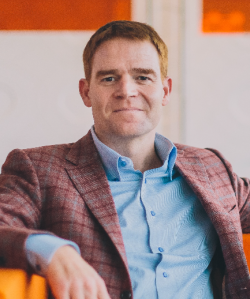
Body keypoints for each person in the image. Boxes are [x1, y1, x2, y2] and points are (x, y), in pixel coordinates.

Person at [0, 20, 249, 299]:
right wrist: (53, 251)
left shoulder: (211, 167)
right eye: (109, 78)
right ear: (86, 92)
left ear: (165, 91)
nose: (126, 91)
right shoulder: (38, 168)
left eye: (142, 77)